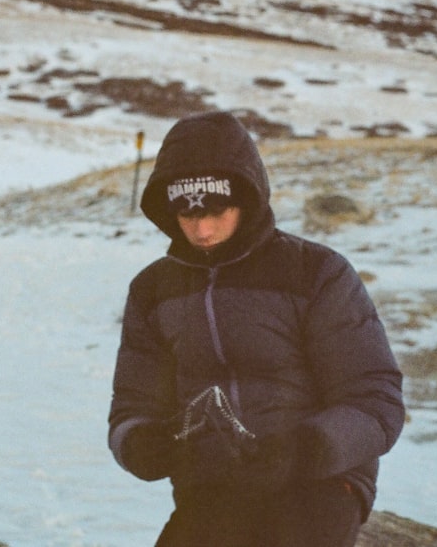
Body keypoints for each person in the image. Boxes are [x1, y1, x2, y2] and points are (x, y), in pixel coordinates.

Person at [108, 111, 405, 547]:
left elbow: (375, 400)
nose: (202, 229)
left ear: (246, 199)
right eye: (187, 214)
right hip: (214, 488)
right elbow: (132, 406)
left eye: (217, 209)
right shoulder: (153, 290)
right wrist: (141, 444)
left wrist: (304, 450)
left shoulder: (315, 273)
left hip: (319, 480)